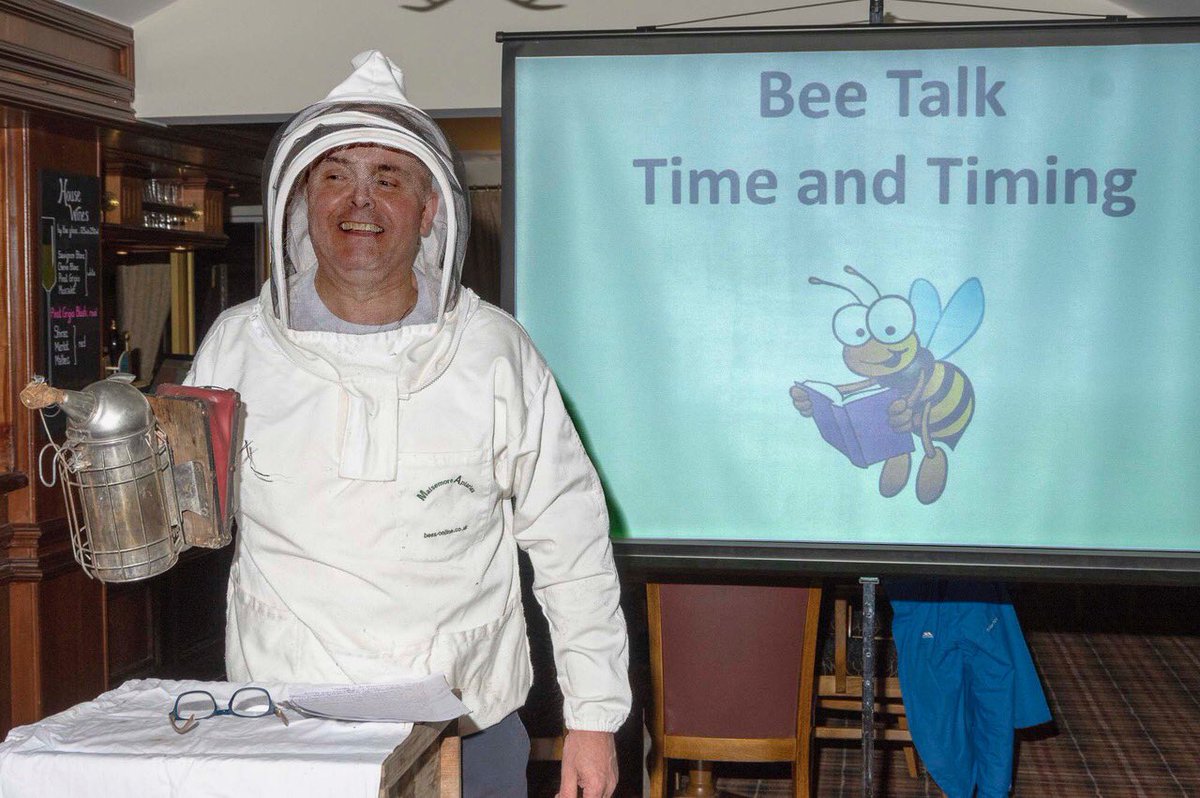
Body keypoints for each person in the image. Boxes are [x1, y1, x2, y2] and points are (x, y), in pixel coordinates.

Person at [185, 51, 631, 798]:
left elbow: (572, 537)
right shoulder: (237, 345)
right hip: (288, 728)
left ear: (429, 211)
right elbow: (189, 514)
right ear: (301, 202)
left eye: (388, 178)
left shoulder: (494, 350)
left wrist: (593, 717)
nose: (360, 202)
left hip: (468, 724)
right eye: (335, 176)